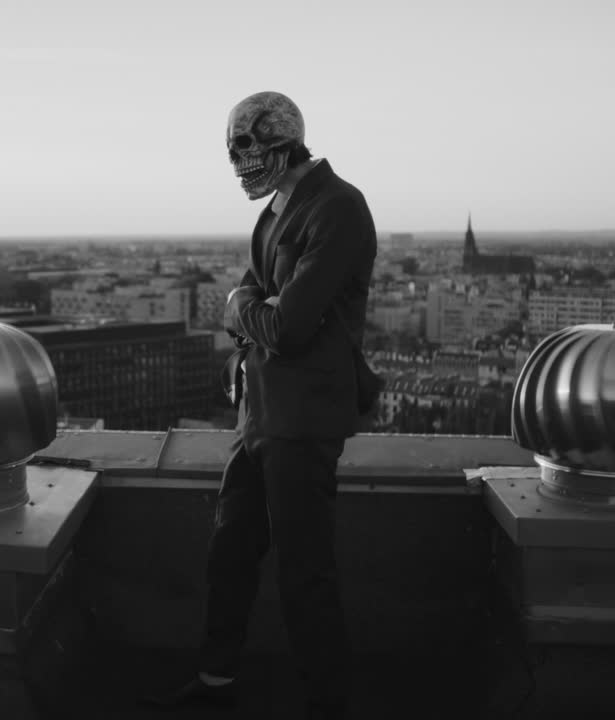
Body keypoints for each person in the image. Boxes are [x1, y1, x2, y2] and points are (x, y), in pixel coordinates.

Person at [144, 91, 378, 718]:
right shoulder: (278, 209)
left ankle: (327, 702)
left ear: (284, 142)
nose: (237, 163)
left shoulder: (338, 206)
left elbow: (288, 326)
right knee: (231, 550)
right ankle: (217, 678)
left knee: (305, 572)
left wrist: (241, 308)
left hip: (302, 417)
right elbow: (260, 301)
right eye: (231, 150)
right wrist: (254, 309)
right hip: (260, 412)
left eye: (245, 147)